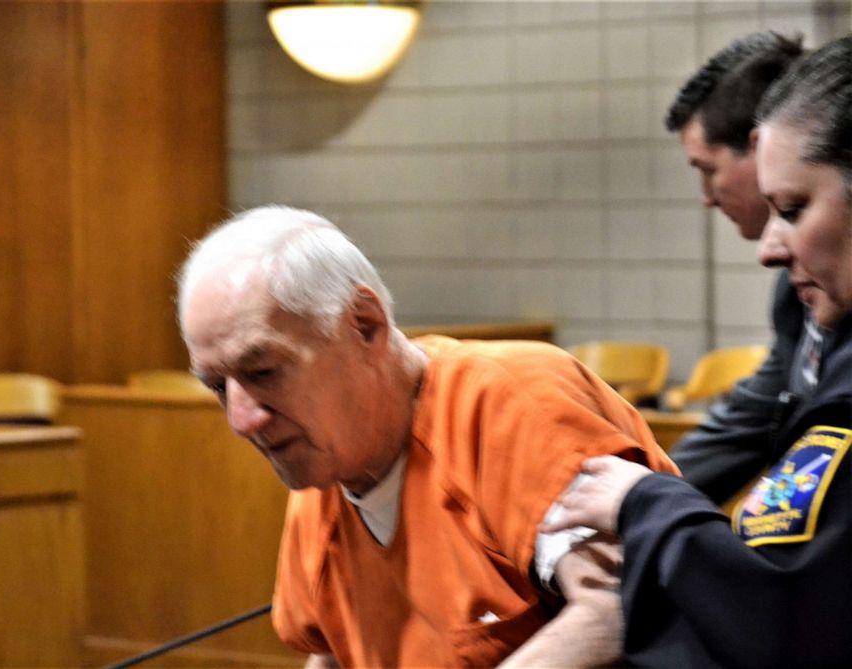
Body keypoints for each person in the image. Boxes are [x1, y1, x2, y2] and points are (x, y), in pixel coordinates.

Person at [176, 205, 677, 668]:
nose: (242, 421)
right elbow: (334, 654)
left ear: (365, 325)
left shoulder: (510, 400)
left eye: (264, 372)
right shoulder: (324, 471)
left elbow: (617, 605)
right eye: (219, 387)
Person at [543, 35, 852, 667]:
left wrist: (645, 503)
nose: (771, 246)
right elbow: (757, 417)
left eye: (791, 207)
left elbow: (785, 613)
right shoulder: (806, 293)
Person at [660, 31, 849, 506]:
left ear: (759, 143)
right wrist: (644, 497)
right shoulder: (799, 290)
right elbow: (756, 416)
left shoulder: (837, 280)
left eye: (707, 168)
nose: (706, 197)